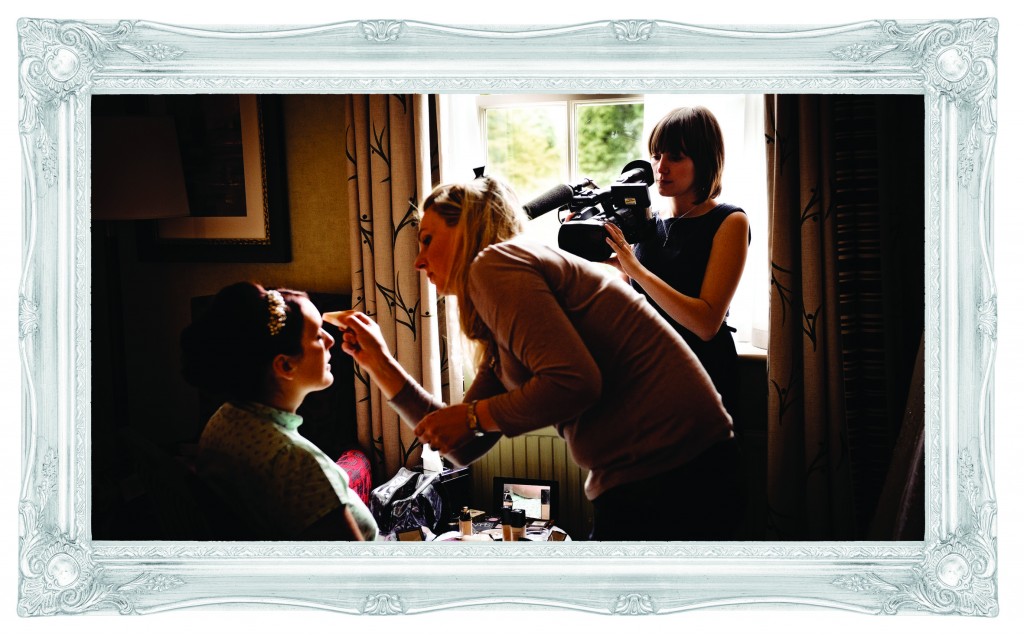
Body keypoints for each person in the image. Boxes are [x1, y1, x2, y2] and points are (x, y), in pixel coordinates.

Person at [327, 177, 743, 541]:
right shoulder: (510, 286)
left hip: (672, 471)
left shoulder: (495, 264)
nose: (418, 261)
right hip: (674, 465)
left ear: (467, 231)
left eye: (428, 240)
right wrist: (379, 362)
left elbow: (575, 383)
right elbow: (463, 446)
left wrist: (472, 416)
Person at [180, 282, 378, 541]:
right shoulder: (295, 462)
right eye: (317, 336)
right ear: (285, 365)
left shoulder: (224, 419)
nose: (331, 340)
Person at [604, 106, 749, 421]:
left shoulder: (729, 221)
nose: (660, 167)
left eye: (675, 157)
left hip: (702, 373)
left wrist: (636, 269)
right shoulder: (647, 222)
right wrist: (615, 263)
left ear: (704, 161)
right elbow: (640, 301)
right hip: (648, 369)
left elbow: (706, 324)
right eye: (656, 156)